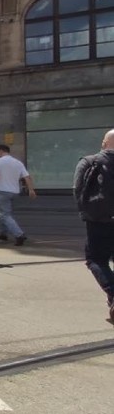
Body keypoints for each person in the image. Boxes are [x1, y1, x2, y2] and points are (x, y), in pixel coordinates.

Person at [74, 129, 114, 322]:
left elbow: (78, 188)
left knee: (96, 260)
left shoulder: (89, 161)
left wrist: (86, 211)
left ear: (104, 143)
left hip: (100, 219)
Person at [0, 144, 37, 245]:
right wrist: (31, 190)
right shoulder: (18, 163)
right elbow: (27, 177)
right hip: (15, 192)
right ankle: (3, 233)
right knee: (7, 213)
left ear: (0, 151)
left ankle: (19, 234)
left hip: (2, 192)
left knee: (5, 215)